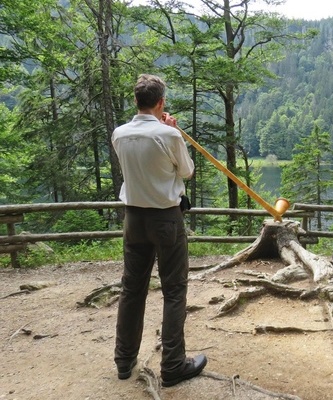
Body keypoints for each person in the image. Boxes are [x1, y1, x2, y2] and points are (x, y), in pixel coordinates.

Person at [112, 74, 207, 387]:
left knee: (132, 289)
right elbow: (187, 171)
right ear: (161, 102)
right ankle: (173, 365)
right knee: (174, 290)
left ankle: (124, 361)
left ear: (136, 101)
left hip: (133, 219)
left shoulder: (119, 134)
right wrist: (173, 131)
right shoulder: (169, 135)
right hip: (165, 219)